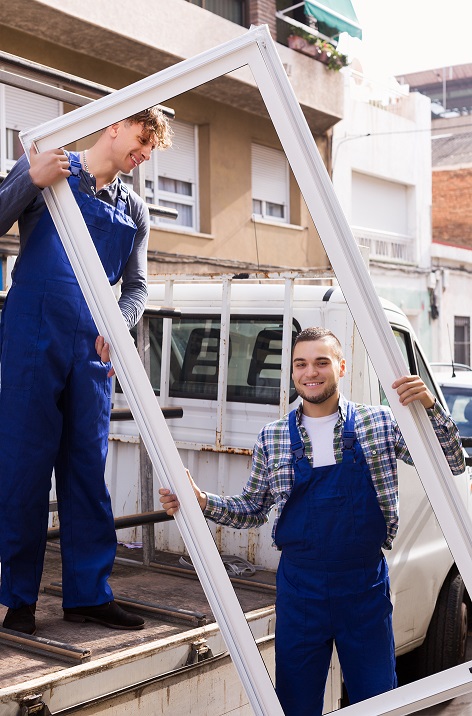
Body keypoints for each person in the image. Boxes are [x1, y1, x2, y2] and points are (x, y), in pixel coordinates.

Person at [159, 326, 465, 715]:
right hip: (300, 591)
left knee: (378, 702)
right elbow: (252, 508)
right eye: (301, 364)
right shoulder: (272, 438)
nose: (311, 372)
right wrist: (201, 501)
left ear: (340, 366)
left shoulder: (382, 424)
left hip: (363, 587)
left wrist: (430, 410)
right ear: (292, 373)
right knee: (296, 704)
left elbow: (452, 463)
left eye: (321, 362)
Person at [0, 107, 172, 636]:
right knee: (23, 469)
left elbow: (138, 288)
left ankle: (88, 595)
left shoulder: (135, 209)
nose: (143, 155)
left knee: (86, 473)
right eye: (142, 140)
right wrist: (31, 179)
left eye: (150, 150)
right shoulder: (47, 164)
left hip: (94, 351)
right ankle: (15, 601)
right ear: (114, 126)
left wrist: (119, 322)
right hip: (32, 334)